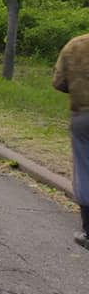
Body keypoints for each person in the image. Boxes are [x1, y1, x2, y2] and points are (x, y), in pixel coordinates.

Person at [52, 32, 89, 250]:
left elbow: (58, 82)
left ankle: (88, 229)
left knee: (84, 168)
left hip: (83, 116)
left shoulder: (75, 45)